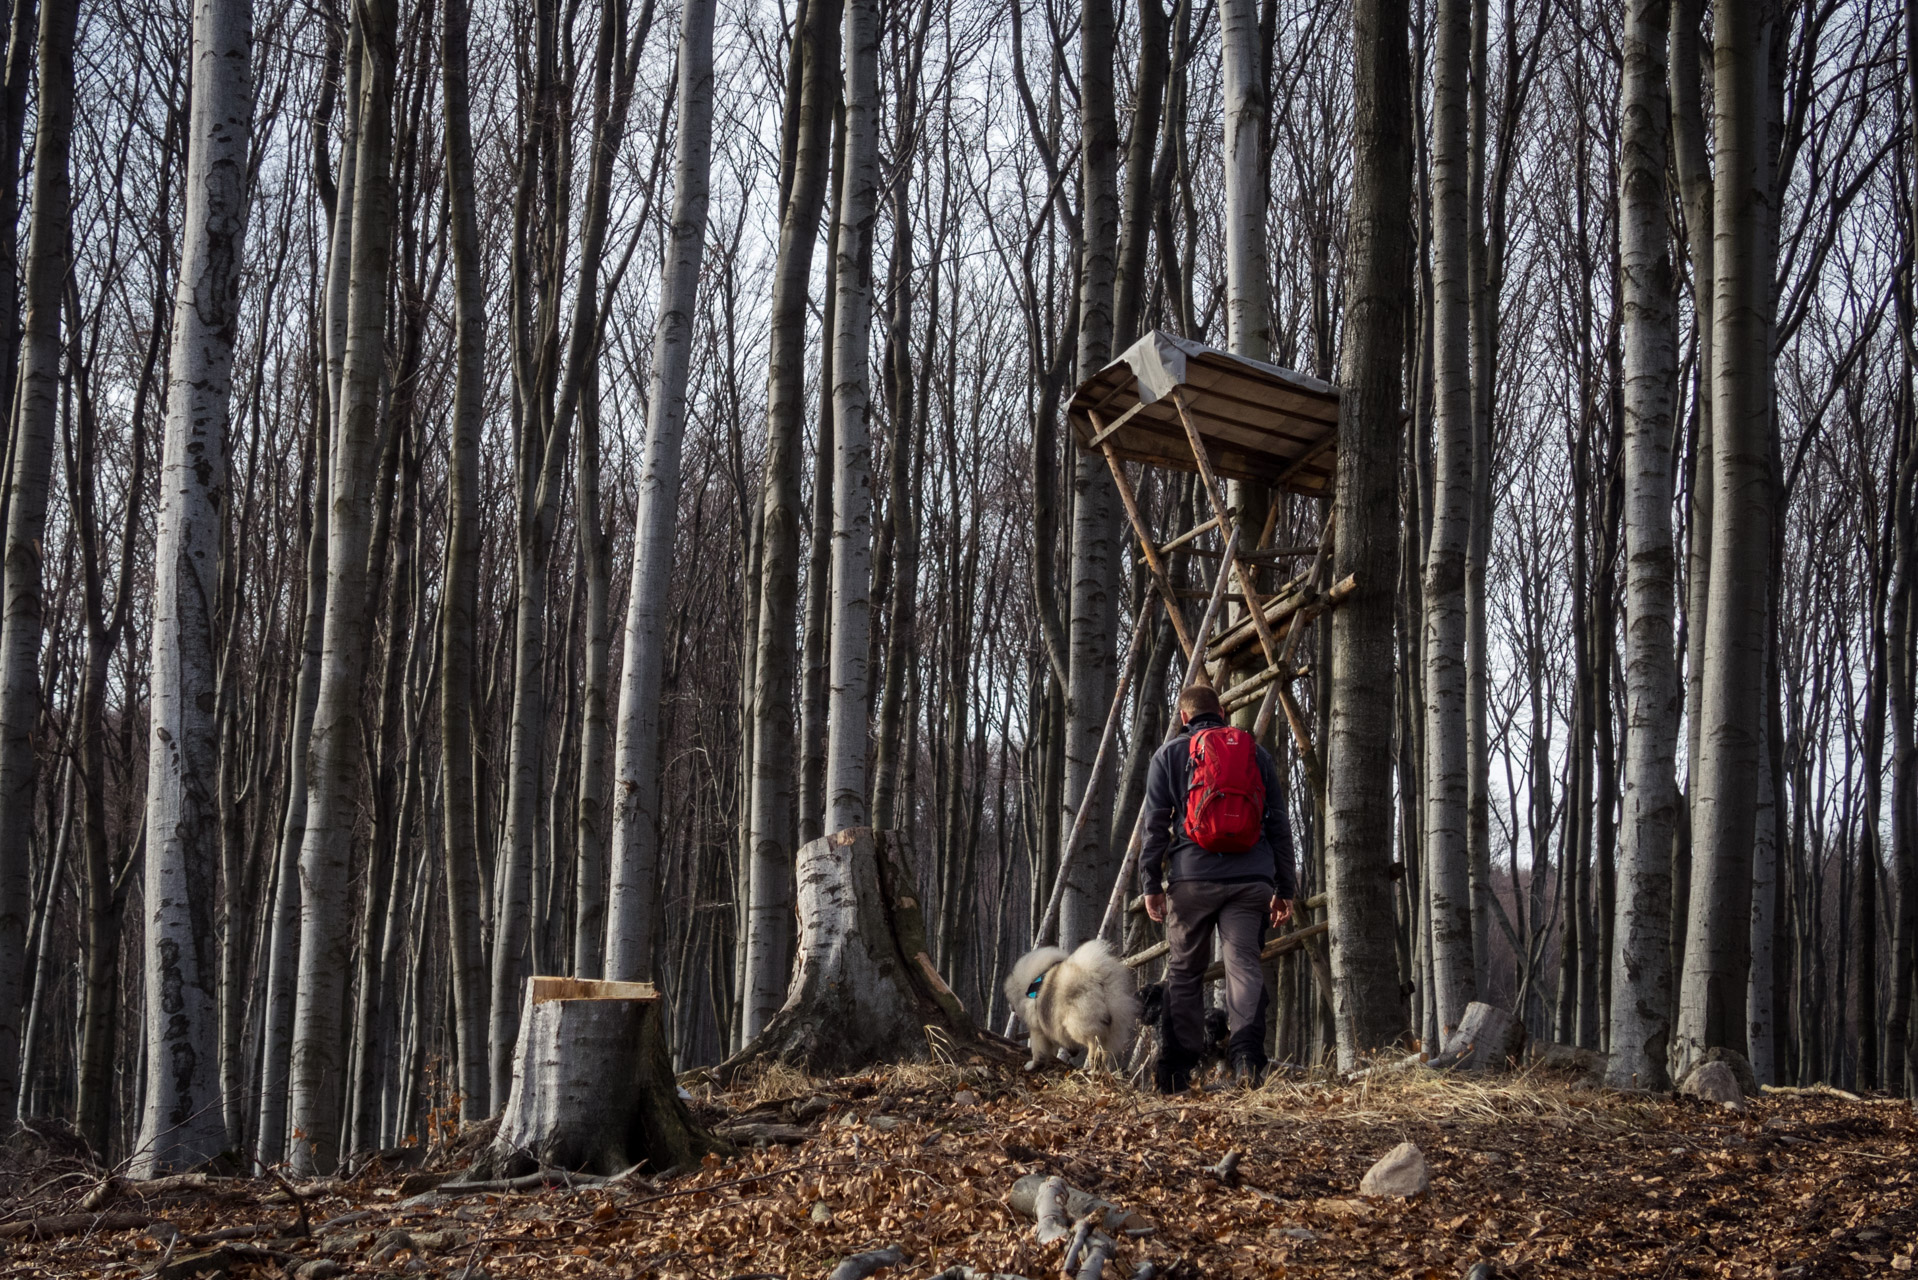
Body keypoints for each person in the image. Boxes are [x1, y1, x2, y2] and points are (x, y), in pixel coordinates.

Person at [1139, 682, 1297, 1090]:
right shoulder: (1256, 755)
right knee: (1243, 966)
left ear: (1185, 717)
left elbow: (1155, 825)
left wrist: (1151, 882)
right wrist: (1286, 887)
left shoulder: (1169, 754)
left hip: (1192, 880)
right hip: (1251, 880)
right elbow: (1278, 824)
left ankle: (1175, 1070)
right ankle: (1247, 1059)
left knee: (1185, 972)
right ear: (1222, 714)